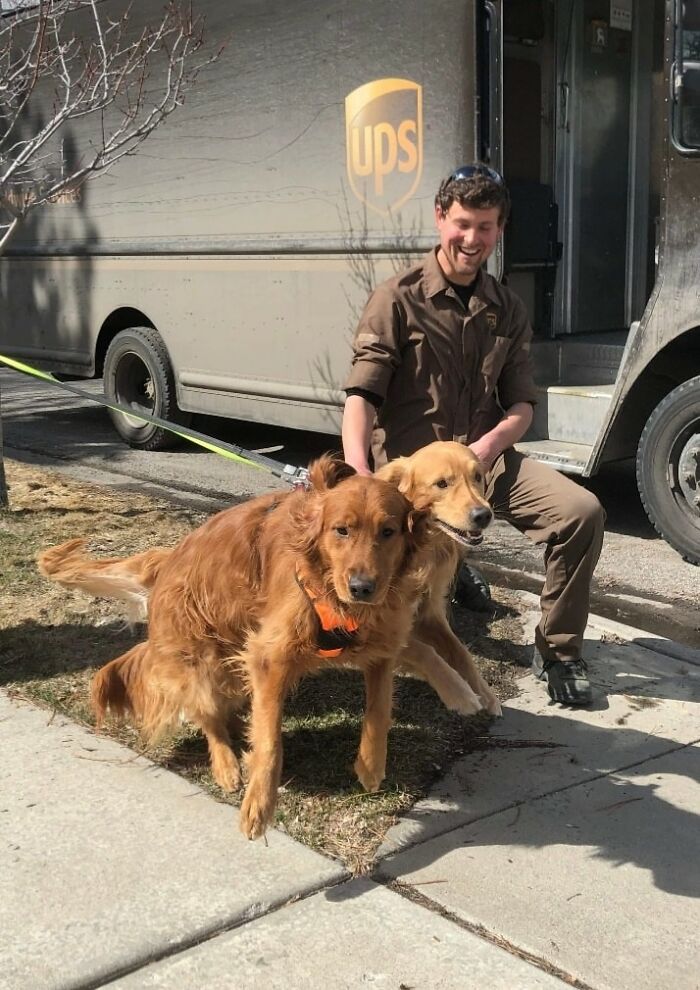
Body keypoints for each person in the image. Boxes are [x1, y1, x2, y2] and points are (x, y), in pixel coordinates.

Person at [341, 164, 605, 706]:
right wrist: (356, 480)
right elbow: (361, 399)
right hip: (414, 474)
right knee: (380, 594)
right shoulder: (397, 299)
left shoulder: (506, 307)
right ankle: (448, 580)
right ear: (440, 219)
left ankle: (558, 651)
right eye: (462, 223)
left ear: (499, 230)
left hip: (484, 463)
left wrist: (489, 446)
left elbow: (522, 404)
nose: (471, 238)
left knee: (581, 513)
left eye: (485, 227)